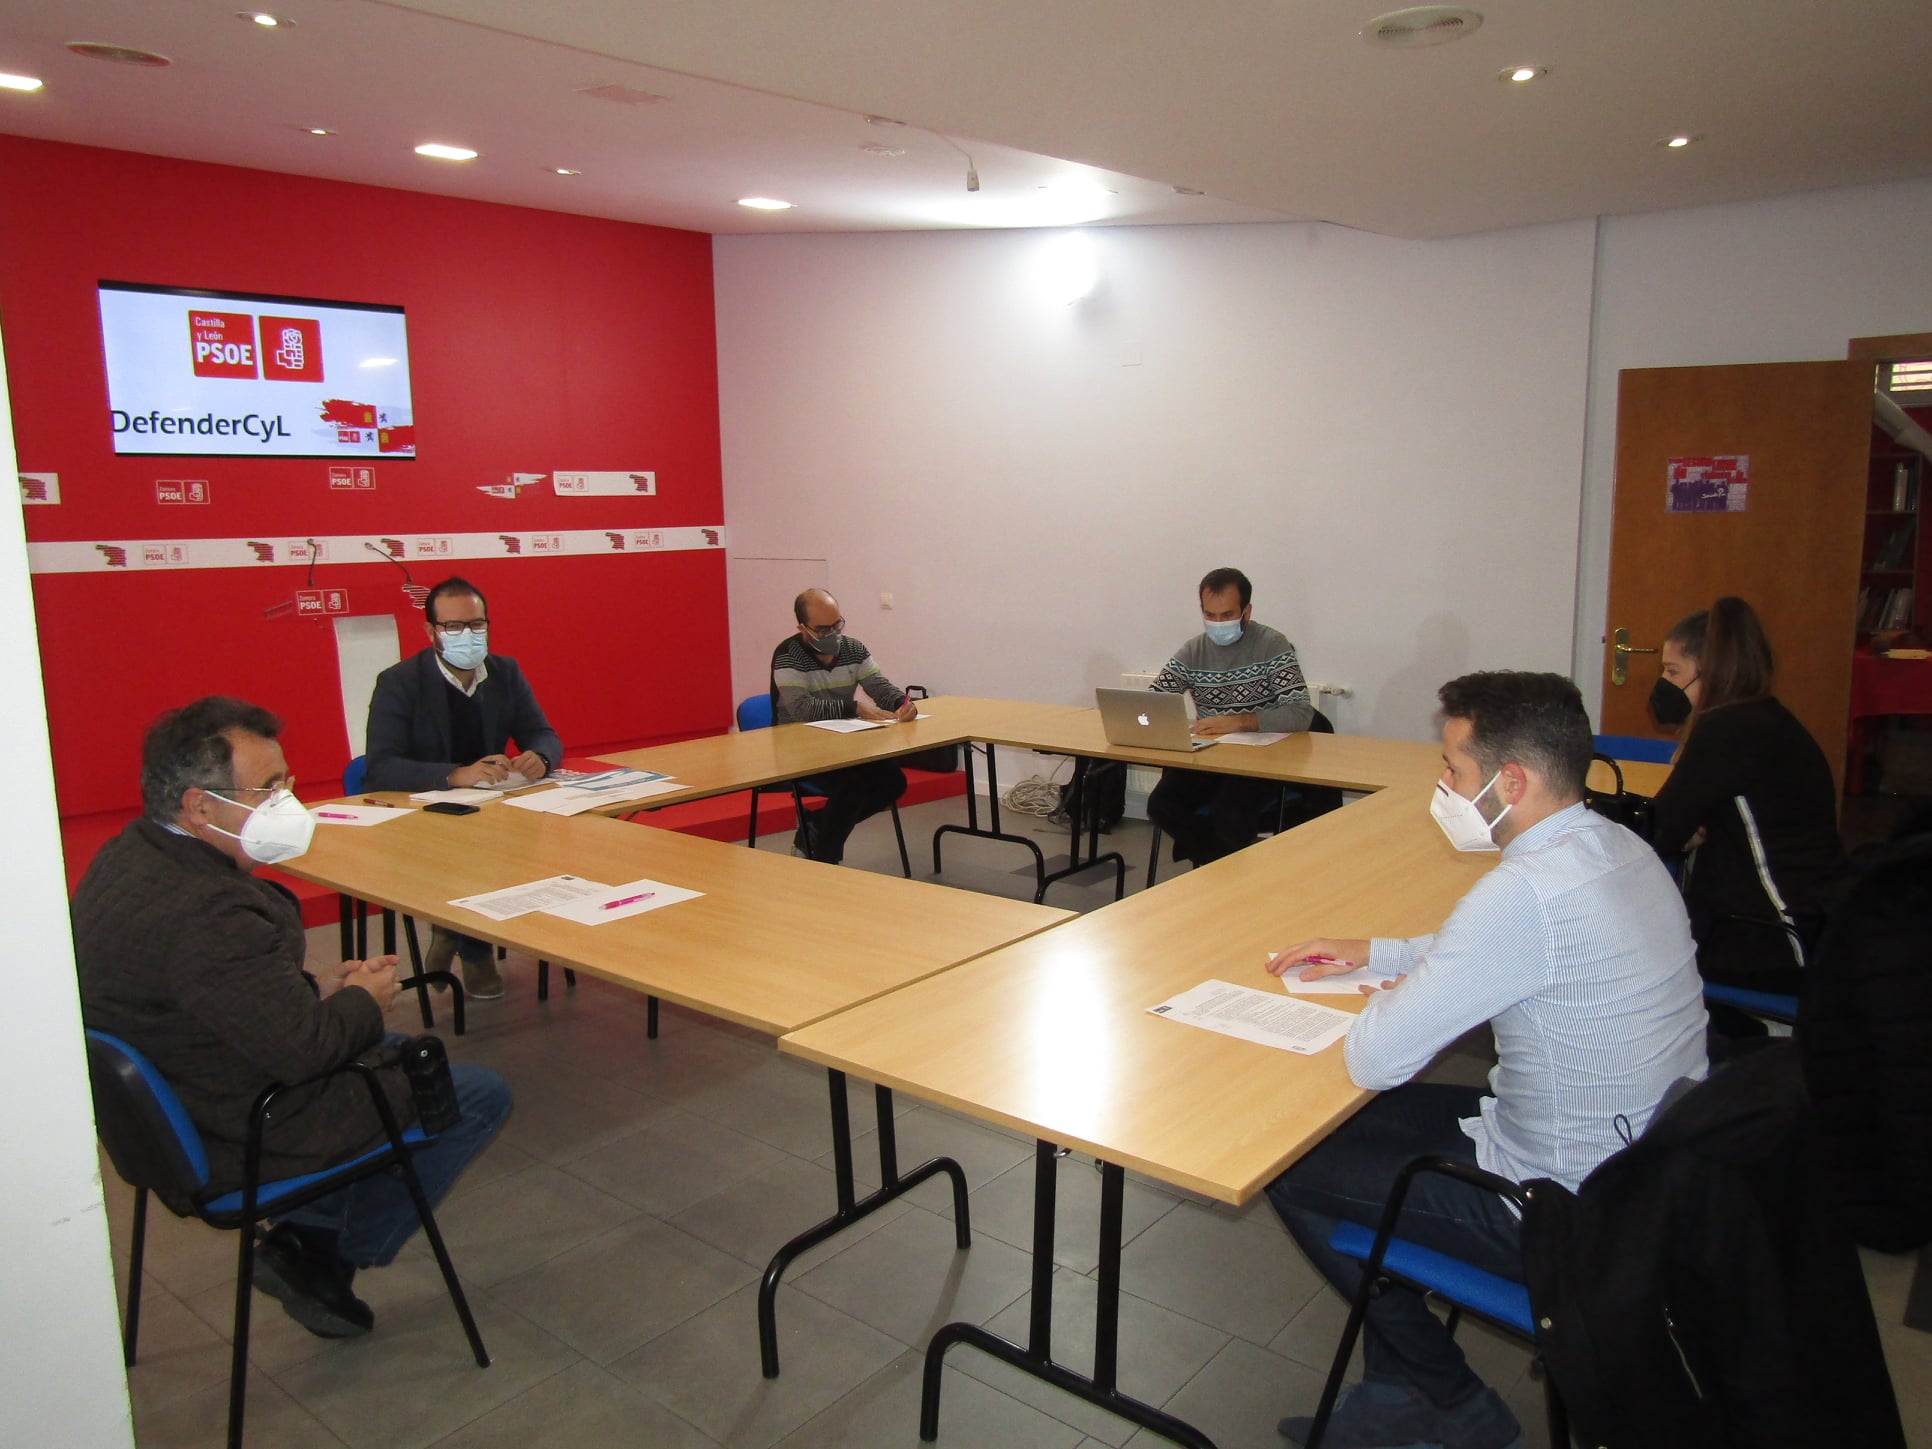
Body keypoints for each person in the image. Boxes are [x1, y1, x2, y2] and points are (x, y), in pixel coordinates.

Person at [1262, 671, 1708, 1449]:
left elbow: (1374, 1057)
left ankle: (1442, 1395)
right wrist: (1378, 951)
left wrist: (1404, 992)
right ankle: (1401, 1387)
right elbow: (1494, 950)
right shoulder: (1615, 845)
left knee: (1289, 1161)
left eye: (1454, 769)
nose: (1443, 785)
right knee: (1346, 1133)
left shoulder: (1522, 894)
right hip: (1641, 1177)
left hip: (1557, 1210)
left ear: (1512, 782)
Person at [73, 697, 512, 1339]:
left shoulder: (127, 859)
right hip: (240, 1124)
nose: (287, 803)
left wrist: (313, 986)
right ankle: (316, 1253)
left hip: (175, 1103)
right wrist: (364, 999)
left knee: (395, 1052)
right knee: (466, 1091)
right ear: (199, 806)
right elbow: (306, 1052)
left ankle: (310, 1235)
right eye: (269, 788)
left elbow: (211, 995)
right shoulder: (208, 913)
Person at [365, 576, 563, 999]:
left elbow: (543, 733)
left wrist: (540, 757)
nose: (467, 635)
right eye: (453, 626)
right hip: (424, 816)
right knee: (474, 855)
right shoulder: (400, 682)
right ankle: (474, 951)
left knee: (519, 842)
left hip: (494, 812)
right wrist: (455, 775)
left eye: (476, 624)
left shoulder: (505, 672)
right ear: (431, 631)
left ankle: (449, 931)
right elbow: (380, 767)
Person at [1648, 596, 1846, 997]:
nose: (1665, 684)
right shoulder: (1765, 718)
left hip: (1774, 939)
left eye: (1673, 671)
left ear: (1709, 671)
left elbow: (1658, 831)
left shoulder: (1725, 730)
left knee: (1623, 949)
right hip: (1813, 924)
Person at [1146, 566, 1315, 868]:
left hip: (1262, 759)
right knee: (1161, 805)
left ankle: (1216, 871)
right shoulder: (1194, 651)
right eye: (1210, 615)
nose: (1218, 623)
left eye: (1227, 615)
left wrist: (1240, 721)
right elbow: (1154, 700)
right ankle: (1220, 868)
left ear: (1246, 611)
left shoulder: (1271, 644)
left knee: (1230, 813)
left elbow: (1300, 712)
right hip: (1210, 756)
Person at [770, 587, 914, 864]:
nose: (833, 634)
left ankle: (815, 826)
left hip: (845, 745)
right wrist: (854, 707)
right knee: (851, 789)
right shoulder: (788, 655)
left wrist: (902, 703)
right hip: (799, 748)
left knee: (893, 782)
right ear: (802, 628)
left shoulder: (853, 649)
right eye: (823, 629)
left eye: (837, 625)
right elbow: (801, 709)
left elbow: (878, 686)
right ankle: (827, 860)